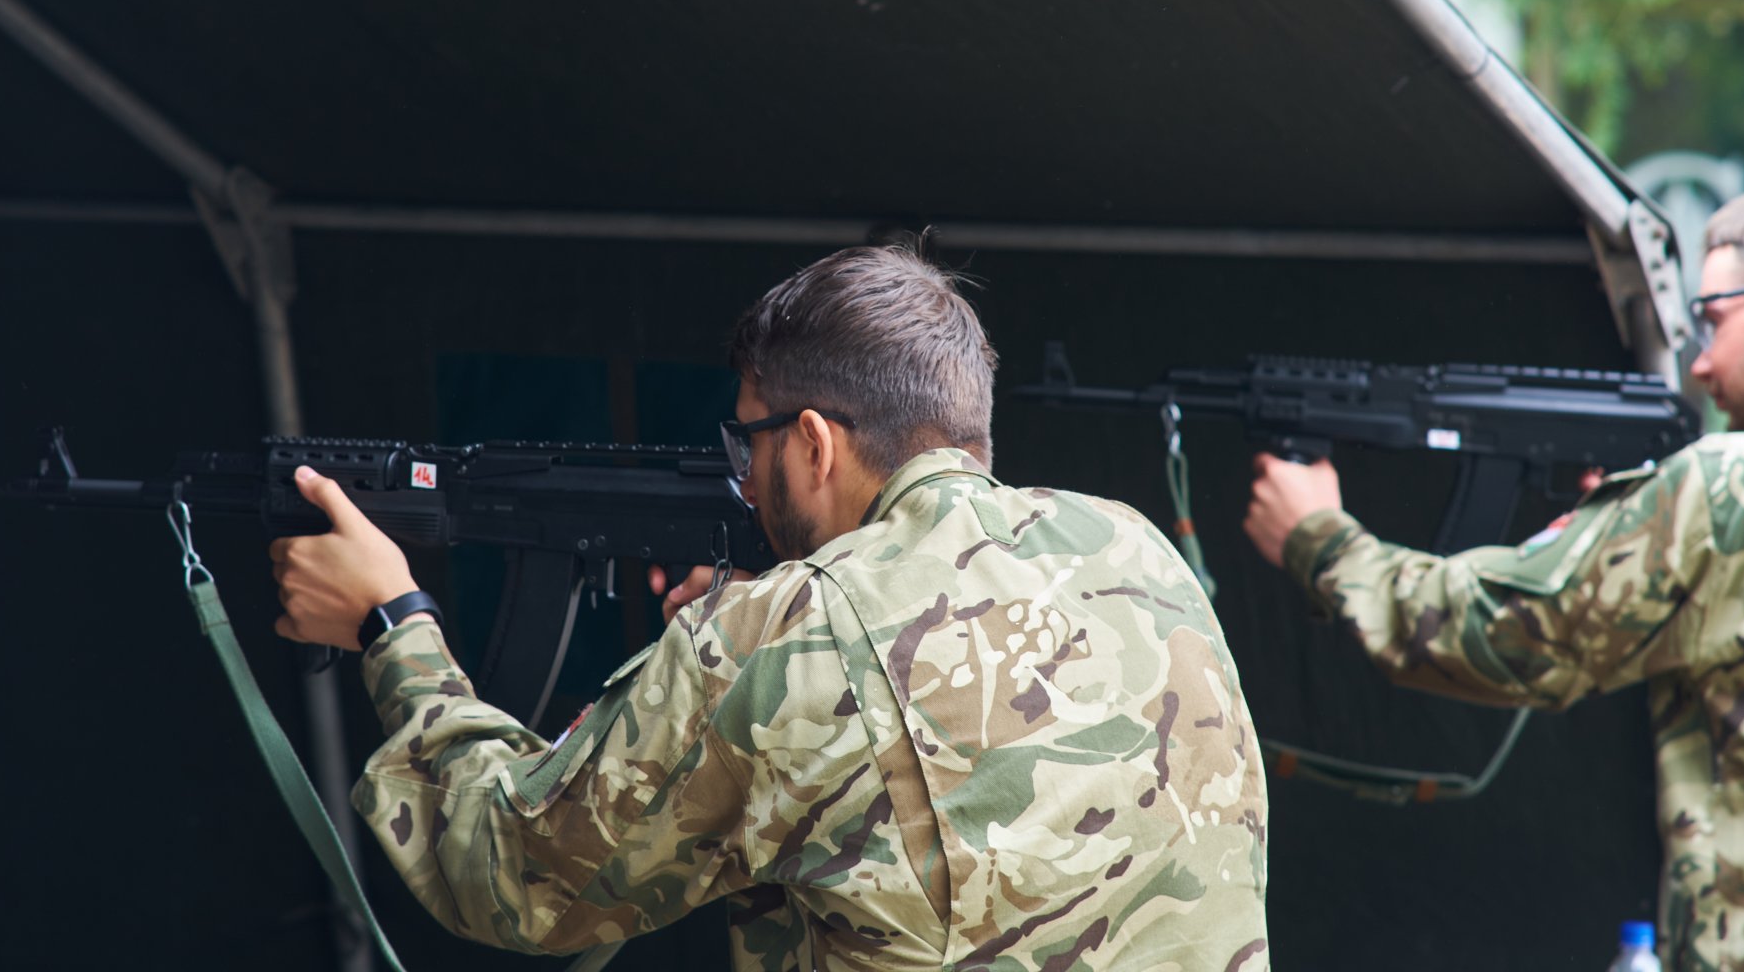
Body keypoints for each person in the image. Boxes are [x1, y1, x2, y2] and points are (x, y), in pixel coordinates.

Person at [272, 245, 1270, 971]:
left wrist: (392, 623)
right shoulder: (1134, 546)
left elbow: (507, 869)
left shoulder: (778, 642)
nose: (745, 476)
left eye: (747, 438)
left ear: (813, 442)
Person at [1243, 183, 1744, 971]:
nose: (1698, 359)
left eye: (1716, 319)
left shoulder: (1735, 484)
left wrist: (1322, 544)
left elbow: (1507, 635)